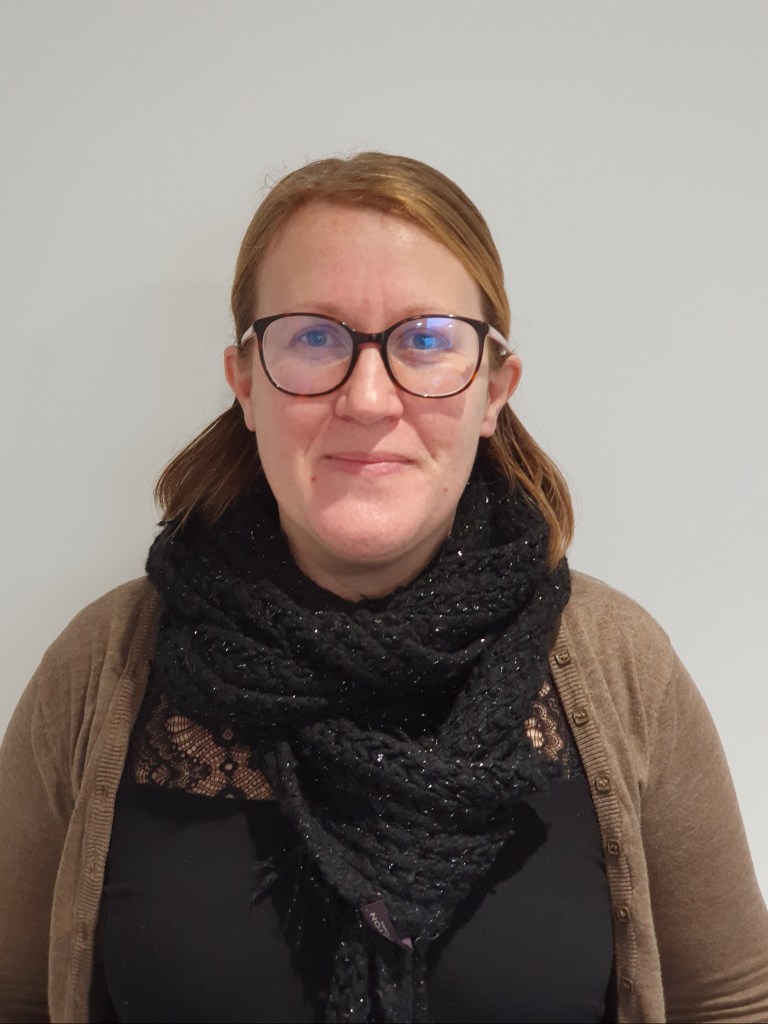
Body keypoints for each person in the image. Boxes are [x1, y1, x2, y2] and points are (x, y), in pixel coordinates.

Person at [0, 152, 766, 1024]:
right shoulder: (104, 666)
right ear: (245, 382)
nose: (368, 399)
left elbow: (731, 1002)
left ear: (494, 391)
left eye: (427, 340)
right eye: (313, 338)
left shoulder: (619, 665)